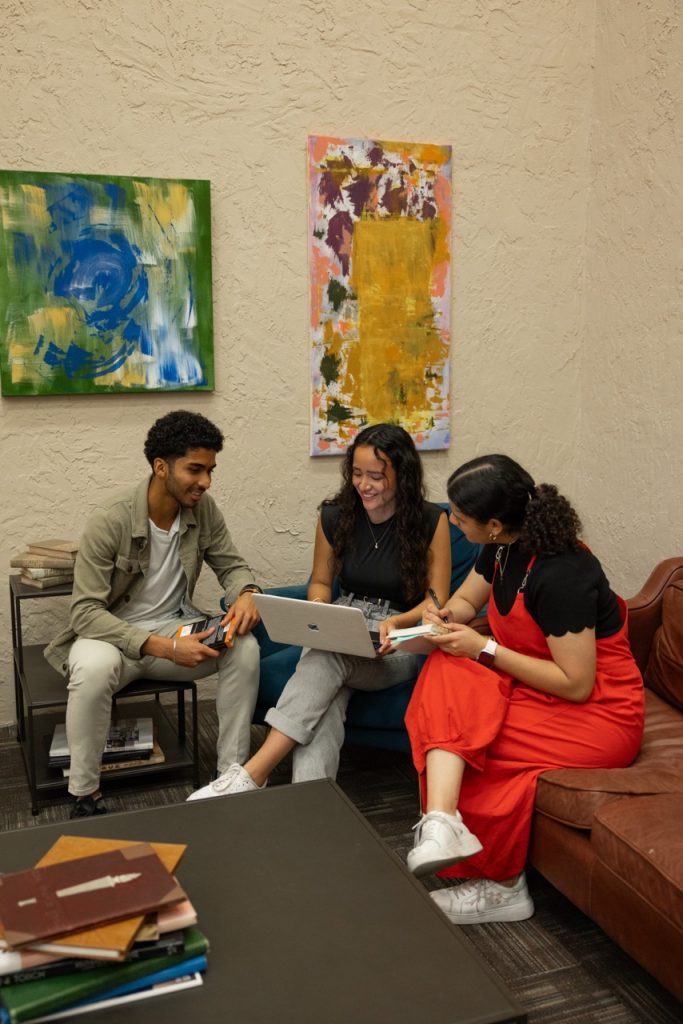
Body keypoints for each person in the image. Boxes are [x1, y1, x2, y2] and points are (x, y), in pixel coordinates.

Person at [404, 454, 644, 924]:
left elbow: (576, 684)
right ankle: (444, 820)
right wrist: (444, 617)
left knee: (470, 739)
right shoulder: (502, 545)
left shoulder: (561, 575)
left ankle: (502, 886)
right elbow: (469, 597)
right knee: (445, 670)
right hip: (534, 685)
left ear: (493, 524)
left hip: (597, 712)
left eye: (459, 516)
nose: (451, 520)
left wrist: (483, 649)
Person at [188, 422, 452, 800]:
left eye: (376, 476)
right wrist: (317, 612)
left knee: (325, 658)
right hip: (344, 623)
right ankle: (311, 805)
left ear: (403, 475)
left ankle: (253, 772)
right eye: (357, 474)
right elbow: (321, 584)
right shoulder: (334, 516)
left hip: (396, 642)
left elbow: (436, 600)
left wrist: (398, 622)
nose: (365, 485)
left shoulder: (429, 520)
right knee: (327, 692)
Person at [45, 410, 262, 818]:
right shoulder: (110, 519)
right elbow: (85, 612)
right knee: (90, 672)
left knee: (244, 647)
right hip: (111, 636)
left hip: (174, 627)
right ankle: (85, 794)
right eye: (195, 470)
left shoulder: (204, 510)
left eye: (211, 470)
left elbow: (231, 566)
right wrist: (162, 647)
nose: (206, 482)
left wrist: (248, 592)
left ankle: (231, 776)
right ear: (160, 467)